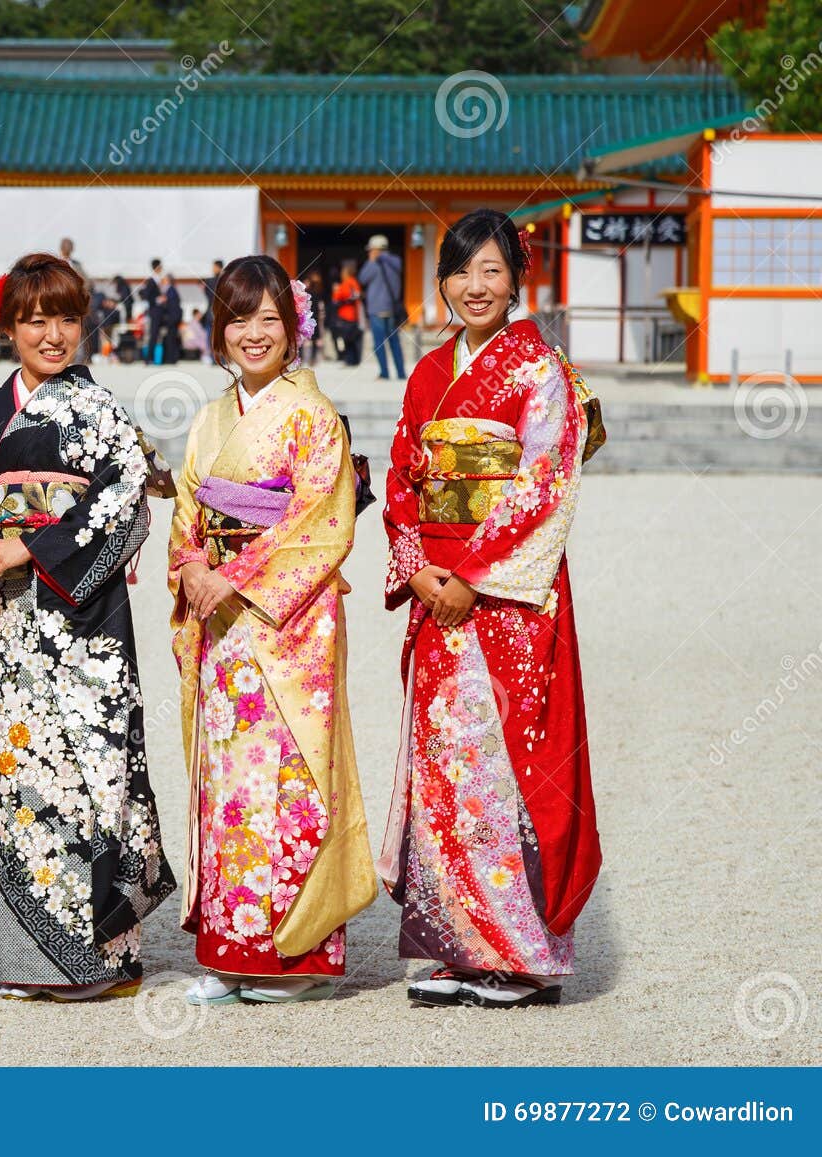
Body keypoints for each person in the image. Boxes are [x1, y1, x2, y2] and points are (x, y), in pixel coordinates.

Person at [0, 252, 177, 1002]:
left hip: (77, 626)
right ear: (8, 324)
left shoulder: (101, 412)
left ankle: (94, 958)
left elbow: (125, 509)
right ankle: (17, 959)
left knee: (85, 779)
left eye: (66, 318)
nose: (51, 334)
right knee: (11, 781)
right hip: (3, 629)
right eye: (34, 318)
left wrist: (30, 546)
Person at [378, 208, 601, 1009]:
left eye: (493, 271)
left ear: (517, 281)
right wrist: (425, 568)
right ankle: (460, 946)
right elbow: (405, 479)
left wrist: (473, 573)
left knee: (507, 762)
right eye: (462, 271)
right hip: (439, 592)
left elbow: (544, 482)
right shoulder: (428, 374)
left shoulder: (540, 371)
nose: (477, 286)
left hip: (505, 599)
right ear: (440, 283)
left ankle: (521, 951)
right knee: (447, 766)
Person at [169, 255, 377, 1006]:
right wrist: (193, 566)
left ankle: (291, 955)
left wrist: (236, 574)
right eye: (237, 317)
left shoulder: (313, 415)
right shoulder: (209, 418)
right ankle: (232, 952)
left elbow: (322, 518)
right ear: (217, 329)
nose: (253, 333)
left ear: (294, 328)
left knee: (286, 780)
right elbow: (188, 509)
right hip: (221, 624)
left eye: (269, 319)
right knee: (230, 784)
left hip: (288, 627)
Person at [359, 234, 407, 380]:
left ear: (375, 249)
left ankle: (385, 373)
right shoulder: (396, 262)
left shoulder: (374, 264)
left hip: (377, 308)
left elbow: (362, 278)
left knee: (379, 343)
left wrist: (371, 261)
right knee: (394, 342)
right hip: (391, 308)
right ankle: (401, 373)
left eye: (370, 250)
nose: (369, 253)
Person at [331, 258, 363, 367]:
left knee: (347, 339)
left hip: (346, 315)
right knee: (352, 339)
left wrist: (336, 292)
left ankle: (349, 360)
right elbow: (357, 295)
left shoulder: (346, 283)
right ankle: (354, 360)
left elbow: (336, 299)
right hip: (353, 315)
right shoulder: (354, 282)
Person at [140, 260, 163, 363]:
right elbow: (147, 296)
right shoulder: (151, 281)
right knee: (153, 335)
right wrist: (158, 299)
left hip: (157, 311)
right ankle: (148, 358)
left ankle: (151, 358)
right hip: (154, 311)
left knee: (155, 335)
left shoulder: (157, 280)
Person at [160, 273, 184, 365]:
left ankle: (171, 358)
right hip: (173, 317)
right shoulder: (172, 289)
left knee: (171, 338)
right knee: (171, 338)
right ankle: (171, 357)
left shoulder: (170, 290)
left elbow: (170, 304)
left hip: (172, 318)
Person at [200, 258, 222, 352]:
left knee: (211, 334)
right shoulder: (226, 280)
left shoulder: (210, 281)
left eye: (214, 267)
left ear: (218, 267)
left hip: (212, 310)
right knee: (220, 334)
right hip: (221, 311)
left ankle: (213, 356)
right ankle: (221, 357)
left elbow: (207, 295)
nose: (213, 269)